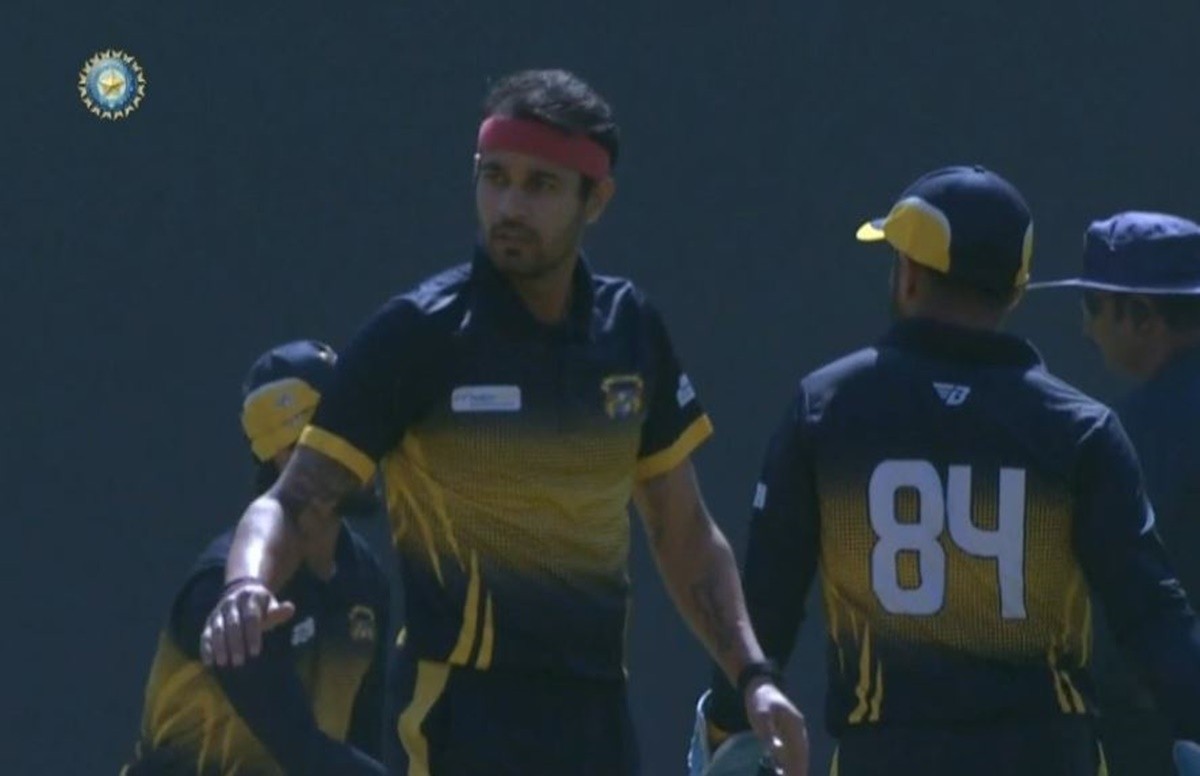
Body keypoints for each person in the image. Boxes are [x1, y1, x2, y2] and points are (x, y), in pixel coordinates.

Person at [197, 69, 808, 775]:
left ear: (596, 200)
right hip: (460, 718)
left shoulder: (632, 333)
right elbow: (291, 501)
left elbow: (685, 531)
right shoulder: (417, 335)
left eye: (540, 185)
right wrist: (245, 584)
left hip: (596, 720)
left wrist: (753, 676)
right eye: (495, 178)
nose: (510, 205)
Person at [693, 166, 1200, 776]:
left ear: (908, 275)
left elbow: (767, 599)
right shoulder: (1080, 430)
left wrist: (729, 721)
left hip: (885, 759)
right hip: (1045, 759)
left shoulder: (826, 410)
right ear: (1014, 292)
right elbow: (1150, 616)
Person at [122, 340, 390, 775]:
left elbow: (363, 745)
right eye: (345, 437)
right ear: (291, 456)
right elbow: (302, 751)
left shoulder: (365, 579)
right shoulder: (221, 592)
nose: (367, 448)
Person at [1030, 211, 1200, 775]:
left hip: (1164, 728)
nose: (1086, 328)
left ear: (1143, 315)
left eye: (1093, 305)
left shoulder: (1132, 435)